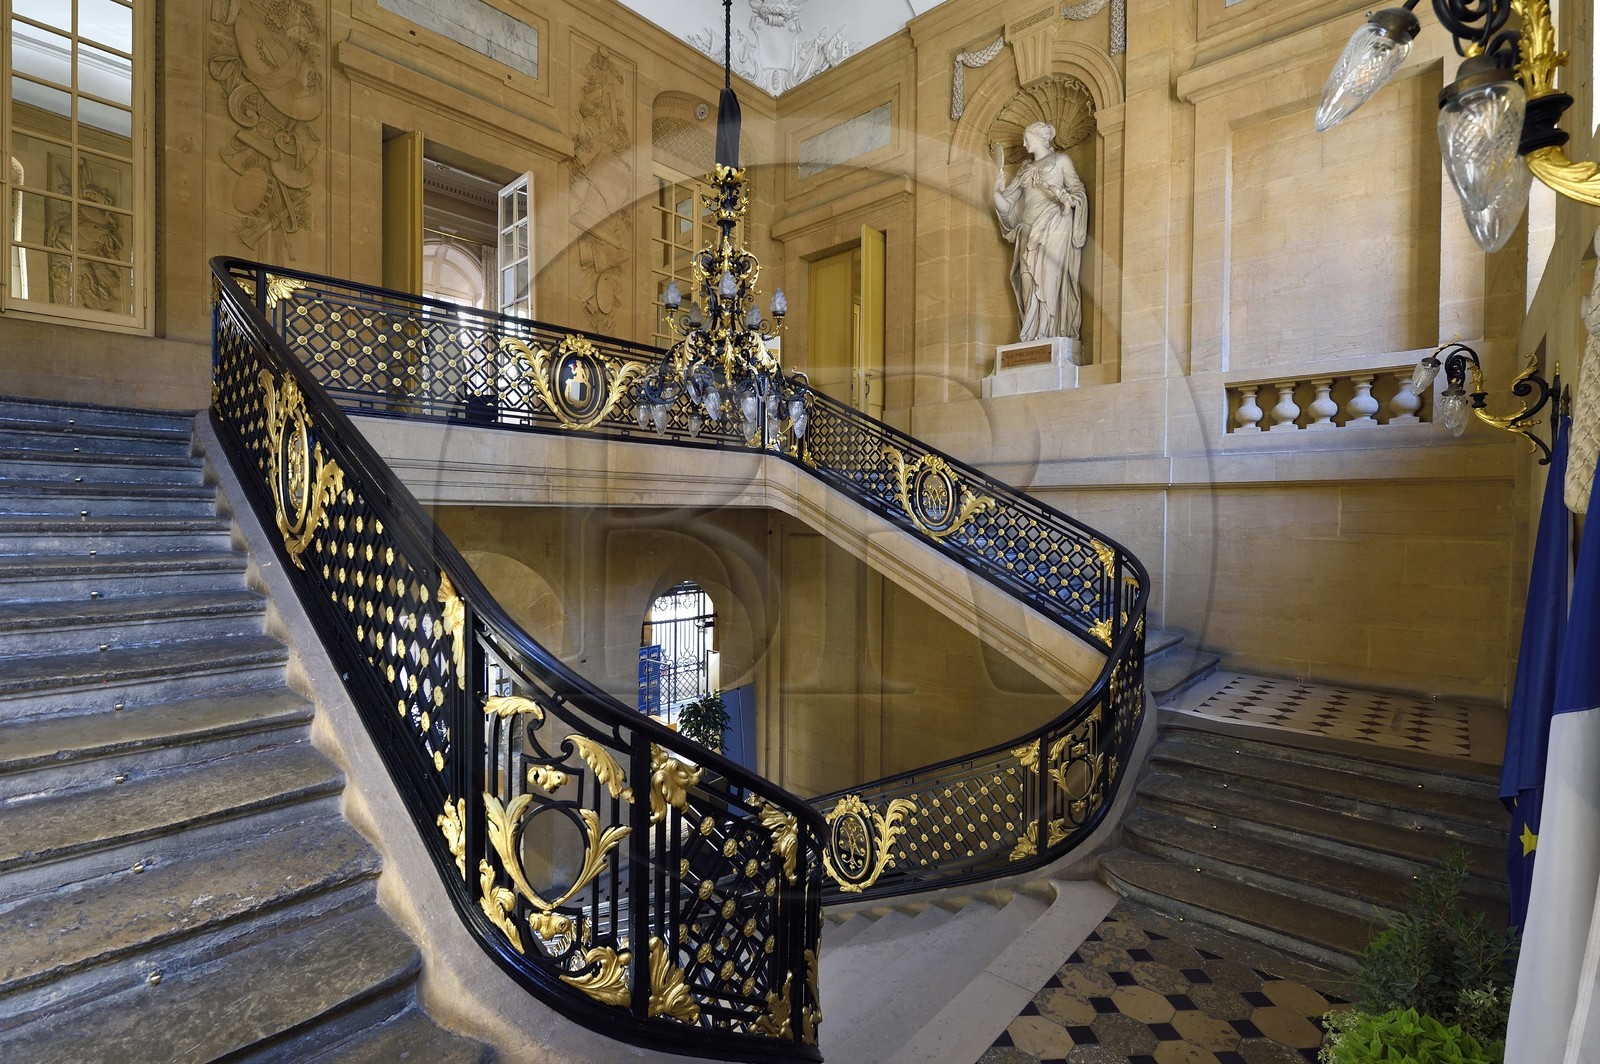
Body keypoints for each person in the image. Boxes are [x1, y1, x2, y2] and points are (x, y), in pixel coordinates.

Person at [993, 122, 1089, 341]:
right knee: (1026, 279)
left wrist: (1067, 201)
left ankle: (1048, 332)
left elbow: (1078, 191)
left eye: (1028, 139)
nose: (1025, 144)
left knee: (1048, 277)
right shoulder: (1025, 169)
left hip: (1055, 223)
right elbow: (1008, 206)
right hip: (1028, 229)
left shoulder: (1061, 161)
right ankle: (1031, 332)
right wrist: (996, 193)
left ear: (1040, 138)